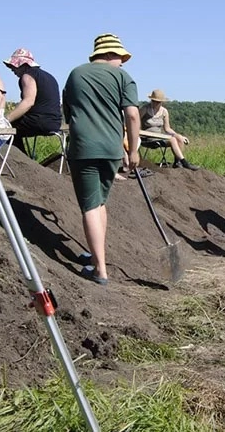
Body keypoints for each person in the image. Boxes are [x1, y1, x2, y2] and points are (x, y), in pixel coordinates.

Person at [62, 33, 140, 286]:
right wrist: (133, 151)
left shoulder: (75, 74)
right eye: (120, 57)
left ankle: (100, 269)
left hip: (83, 146)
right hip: (111, 148)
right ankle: (98, 257)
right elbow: (132, 115)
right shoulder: (124, 78)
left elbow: (67, 111)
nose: (122, 62)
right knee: (100, 203)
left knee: (90, 205)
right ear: (108, 55)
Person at [2, 48, 62, 154]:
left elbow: (28, 102)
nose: (12, 69)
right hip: (54, 123)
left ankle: (19, 162)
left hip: (38, 122)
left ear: (23, 65)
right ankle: (24, 161)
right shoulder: (48, 76)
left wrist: (6, 120)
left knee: (4, 131)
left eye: (13, 66)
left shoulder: (27, 76)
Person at [139, 89, 198, 170]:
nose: (155, 103)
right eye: (153, 101)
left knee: (178, 138)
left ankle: (177, 162)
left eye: (158, 102)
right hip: (146, 138)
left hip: (159, 137)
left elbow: (167, 129)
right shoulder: (145, 109)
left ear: (161, 102)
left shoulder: (164, 112)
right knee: (172, 140)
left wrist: (178, 135)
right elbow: (135, 123)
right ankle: (184, 162)